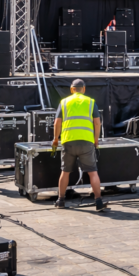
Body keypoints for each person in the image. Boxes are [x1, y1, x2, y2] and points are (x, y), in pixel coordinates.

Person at [51, 79, 106, 211]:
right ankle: (98, 201)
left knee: (65, 172)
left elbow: (57, 123)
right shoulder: (90, 102)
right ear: (84, 89)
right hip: (86, 142)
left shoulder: (64, 102)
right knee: (93, 172)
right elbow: (97, 123)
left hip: (68, 141)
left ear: (71, 89)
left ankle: (61, 200)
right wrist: (96, 139)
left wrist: (55, 139)